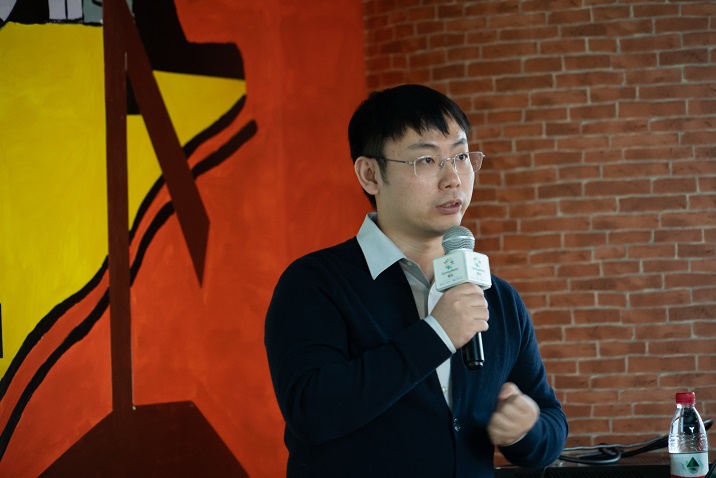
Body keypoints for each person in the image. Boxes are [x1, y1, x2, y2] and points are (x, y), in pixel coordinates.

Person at [264, 84, 568, 477]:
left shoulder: (498, 297)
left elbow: (551, 420)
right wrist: (438, 334)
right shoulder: (314, 284)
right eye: (426, 160)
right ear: (371, 175)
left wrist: (527, 430)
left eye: (461, 156)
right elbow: (312, 411)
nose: (453, 179)